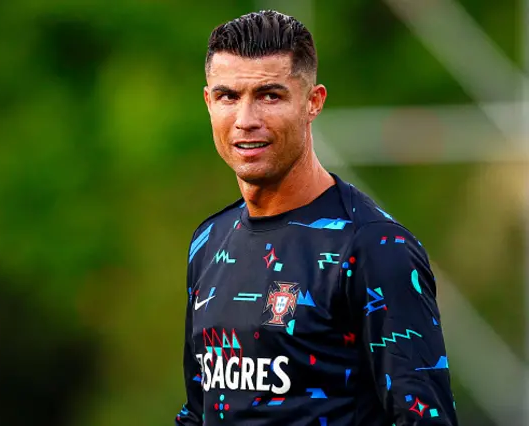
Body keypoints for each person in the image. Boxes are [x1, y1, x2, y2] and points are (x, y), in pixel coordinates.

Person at [175, 10, 458, 426]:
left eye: (270, 96)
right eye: (228, 97)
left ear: (313, 102)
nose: (246, 120)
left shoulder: (373, 247)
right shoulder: (208, 242)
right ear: (208, 102)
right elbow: (197, 413)